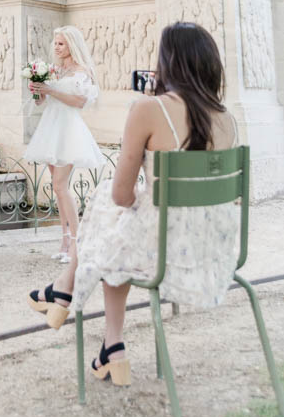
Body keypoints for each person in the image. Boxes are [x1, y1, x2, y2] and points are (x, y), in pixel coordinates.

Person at [28, 22, 241, 387]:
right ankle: (112, 348)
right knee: (117, 230)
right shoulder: (229, 119)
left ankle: (64, 289)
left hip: (162, 251)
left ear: (168, 63)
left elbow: (122, 195)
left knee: (108, 206)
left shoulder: (148, 108)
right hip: (211, 252)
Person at [23, 26, 103, 264]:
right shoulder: (55, 70)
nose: (56, 47)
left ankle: (78, 243)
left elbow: (79, 101)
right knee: (58, 188)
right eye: (55, 43)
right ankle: (65, 240)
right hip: (51, 128)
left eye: (60, 44)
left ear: (71, 46)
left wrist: (50, 89)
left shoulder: (82, 71)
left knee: (60, 185)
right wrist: (38, 90)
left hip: (69, 129)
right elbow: (40, 104)